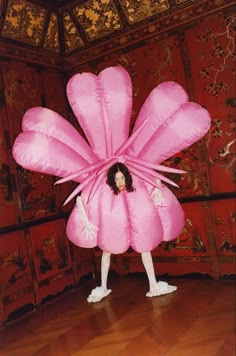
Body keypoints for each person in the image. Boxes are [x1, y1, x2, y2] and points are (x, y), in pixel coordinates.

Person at [87, 162, 177, 303]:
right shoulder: (107, 192)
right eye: (116, 179)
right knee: (107, 251)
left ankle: (153, 284)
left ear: (127, 177)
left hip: (137, 224)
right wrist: (88, 221)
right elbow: (87, 199)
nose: (120, 182)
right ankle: (103, 286)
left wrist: (158, 189)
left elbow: (154, 178)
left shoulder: (137, 186)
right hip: (115, 225)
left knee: (145, 250)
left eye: (122, 178)